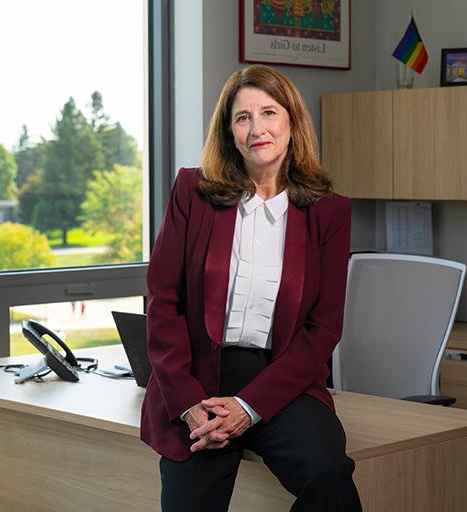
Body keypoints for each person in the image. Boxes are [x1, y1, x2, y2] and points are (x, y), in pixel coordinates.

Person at [141, 64, 361, 512]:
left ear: (292, 122)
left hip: (282, 382)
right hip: (197, 381)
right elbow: (163, 301)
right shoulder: (192, 191)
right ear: (229, 132)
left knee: (327, 474)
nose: (256, 128)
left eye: (268, 112)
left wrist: (248, 406)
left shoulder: (329, 212)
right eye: (242, 117)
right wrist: (186, 403)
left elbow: (323, 328)